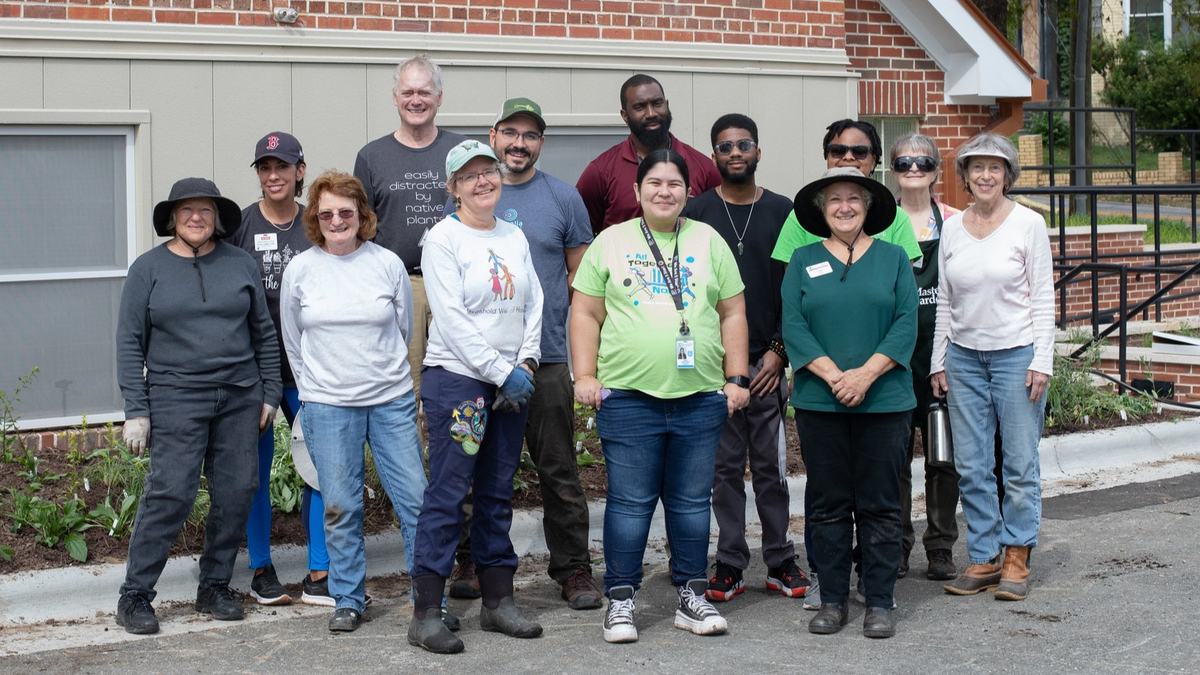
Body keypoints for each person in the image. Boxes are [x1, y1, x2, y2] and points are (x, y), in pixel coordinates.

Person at [571, 149, 751, 644]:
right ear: (637, 190)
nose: (664, 191)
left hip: (698, 397)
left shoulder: (708, 240)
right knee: (629, 505)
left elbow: (733, 312)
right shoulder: (611, 241)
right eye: (654, 182)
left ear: (688, 191)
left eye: (674, 183)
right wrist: (584, 375)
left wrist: (736, 378)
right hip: (628, 397)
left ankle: (691, 597)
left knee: (692, 503)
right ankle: (621, 601)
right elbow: (584, 312)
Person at [445, 98, 601, 610]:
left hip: (548, 359)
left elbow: (582, 275)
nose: (518, 142)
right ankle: (471, 559)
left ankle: (573, 567)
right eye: (510, 132)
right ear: (493, 136)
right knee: (475, 465)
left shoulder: (563, 197)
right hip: (474, 367)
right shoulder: (472, 195)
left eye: (530, 135)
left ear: (540, 143)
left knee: (558, 468)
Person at [114, 178, 280, 635]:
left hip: (240, 397)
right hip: (175, 395)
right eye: (186, 210)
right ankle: (135, 595)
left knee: (236, 491)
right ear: (171, 217)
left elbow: (263, 333)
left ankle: (214, 586)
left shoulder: (241, 264)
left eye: (204, 210)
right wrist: (137, 410)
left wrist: (268, 393)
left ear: (217, 218)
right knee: (171, 491)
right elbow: (129, 342)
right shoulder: (146, 269)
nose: (195, 218)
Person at [769, 117, 920, 611]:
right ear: (821, 209)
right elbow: (794, 326)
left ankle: (878, 601)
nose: (845, 207)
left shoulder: (894, 258)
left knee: (880, 506)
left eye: (855, 199)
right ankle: (832, 599)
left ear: (870, 205)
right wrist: (835, 377)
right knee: (827, 506)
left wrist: (865, 374)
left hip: (885, 402)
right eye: (834, 200)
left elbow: (904, 323)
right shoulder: (803, 260)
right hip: (821, 402)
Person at [407, 140, 546, 654]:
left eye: (488, 171)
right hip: (460, 382)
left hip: (511, 381)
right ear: (453, 188)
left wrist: (525, 364)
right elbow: (450, 317)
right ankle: (425, 612)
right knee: (448, 493)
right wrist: (498, 371)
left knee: (496, 490)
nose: (483, 180)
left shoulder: (514, 235)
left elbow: (534, 302)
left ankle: (497, 601)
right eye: (470, 176)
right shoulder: (443, 239)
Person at [279, 171, 429, 632]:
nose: (337, 220)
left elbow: (404, 329)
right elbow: (293, 340)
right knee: (341, 505)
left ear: (362, 215)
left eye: (346, 212)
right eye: (327, 214)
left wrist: (382, 377)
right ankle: (347, 596)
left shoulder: (385, 264)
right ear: (315, 219)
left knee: (416, 502)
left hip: (389, 401)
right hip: (327, 406)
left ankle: (427, 597)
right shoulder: (300, 270)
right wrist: (317, 390)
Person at [681, 113, 810, 602]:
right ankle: (730, 563)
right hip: (714, 367)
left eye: (744, 145)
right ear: (714, 156)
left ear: (758, 152)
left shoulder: (785, 211)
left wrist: (780, 352)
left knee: (773, 470)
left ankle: (780, 559)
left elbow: (796, 289)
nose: (735, 153)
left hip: (767, 363)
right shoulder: (695, 213)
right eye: (725, 146)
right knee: (724, 471)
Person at [932, 132, 1054, 602]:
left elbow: (1043, 296)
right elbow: (946, 297)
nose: (985, 175)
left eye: (995, 167)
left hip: (1016, 355)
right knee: (972, 464)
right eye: (976, 167)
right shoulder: (954, 227)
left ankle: (1017, 553)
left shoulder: (1028, 224)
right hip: (963, 357)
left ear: (1007, 175)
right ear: (964, 176)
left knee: (1019, 463)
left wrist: (1042, 358)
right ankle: (983, 555)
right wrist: (938, 360)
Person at [227, 131, 335, 607]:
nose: (273, 175)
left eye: (282, 167)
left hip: (310, 371)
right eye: (265, 168)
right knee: (254, 471)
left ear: (300, 170)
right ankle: (261, 567)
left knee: (318, 469)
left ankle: (320, 571)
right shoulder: (241, 227)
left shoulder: (315, 224)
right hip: (256, 375)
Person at [354, 55, 466, 394]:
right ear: (395, 97)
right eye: (407, 92)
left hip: (458, 282)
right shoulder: (372, 156)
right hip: (402, 284)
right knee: (406, 387)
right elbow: (361, 228)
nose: (415, 100)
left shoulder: (461, 149)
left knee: (462, 382)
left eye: (424, 92)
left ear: (439, 97)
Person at [889, 133, 962, 582]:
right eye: (904, 163)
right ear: (892, 171)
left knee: (942, 458)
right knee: (894, 459)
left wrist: (948, 359)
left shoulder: (955, 222)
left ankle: (940, 546)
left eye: (923, 162)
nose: (913, 169)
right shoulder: (880, 222)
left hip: (941, 358)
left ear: (936, 170)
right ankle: (896, 545)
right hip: (895, 358)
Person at [576, 73, 721, 233]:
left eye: (657, 103)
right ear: (625, 115)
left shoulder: (704, 167)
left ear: (667, 105)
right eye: (640, 107)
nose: (651, 113)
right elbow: (581, 236)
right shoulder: (601, 171)